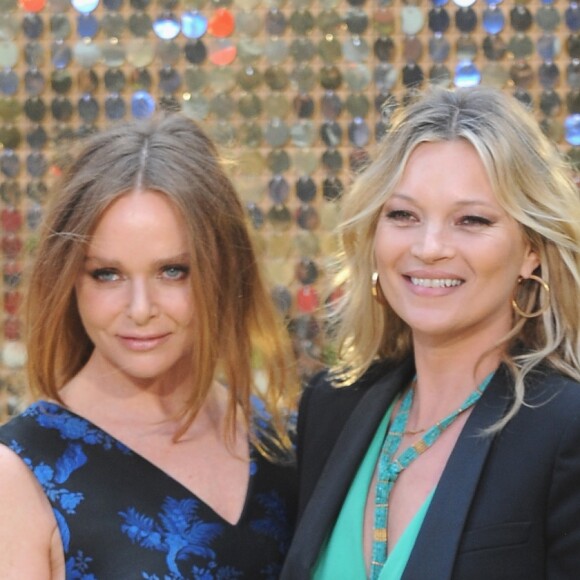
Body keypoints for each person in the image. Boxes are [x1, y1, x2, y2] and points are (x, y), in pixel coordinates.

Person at [281, 86, 580, 580]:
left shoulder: (566, 429)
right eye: (403, 215)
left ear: (531, 249)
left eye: (472, 220)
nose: (430, 246)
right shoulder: (331, 407)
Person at [0, 114, 299, 579]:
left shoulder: (284, 442)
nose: (140, 308)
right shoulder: (18, 475)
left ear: (225, 268)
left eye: (173, 270)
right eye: (107, 274)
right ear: (68, 280)